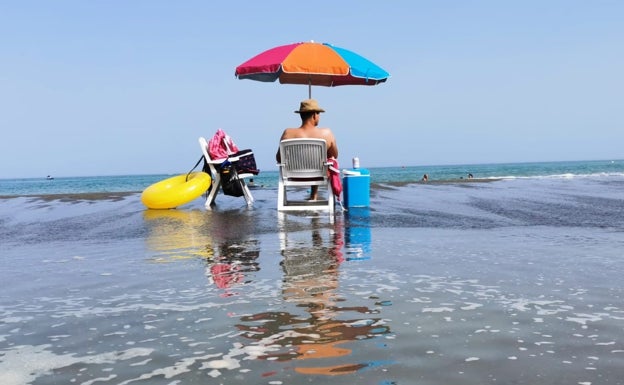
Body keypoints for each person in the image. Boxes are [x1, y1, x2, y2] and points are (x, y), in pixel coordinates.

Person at [276, 99, 338, 200]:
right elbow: (334, 155)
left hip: (293, 177)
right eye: (318, 114)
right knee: (324, 162)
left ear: (301, 115)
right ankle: (314, 195)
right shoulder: (326, 133)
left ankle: (313, 195)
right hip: (319, 175)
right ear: (314, 115)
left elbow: (279, 159)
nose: (319, 116)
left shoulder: (288, 133)